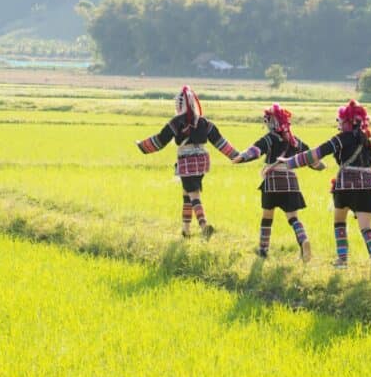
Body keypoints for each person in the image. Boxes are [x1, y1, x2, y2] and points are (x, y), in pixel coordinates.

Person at [272, 100, 371, 272]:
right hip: (368, 187)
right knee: (366, 228)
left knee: (339, 222)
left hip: (345, 187)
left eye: (340, 120)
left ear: (347, 122)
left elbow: (316, 153)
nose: (339, 124)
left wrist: (289, 162)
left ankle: (342, 260)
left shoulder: (341, 139)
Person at [137, 86, 239, 238]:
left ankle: (204, 226)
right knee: (187, 195)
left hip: (187, 162)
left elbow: (161, 139)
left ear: (179, 104)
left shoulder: (176, 122)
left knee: (193, 194)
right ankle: (186, 230)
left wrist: (143, 146)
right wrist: (236, 156)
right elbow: (220, 141)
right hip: (202, 162)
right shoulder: (203, 121)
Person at [232, 104, 325, 262]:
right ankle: (303, 240)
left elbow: (255, 150)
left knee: (267, 216)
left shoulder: (270, 138)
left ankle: (263, 250)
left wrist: (240, 158)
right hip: (291, 182)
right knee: (293, 218)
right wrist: (320, 166)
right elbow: (310, 158)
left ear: (272, 122)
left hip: (273, 181)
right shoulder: (295, 141)